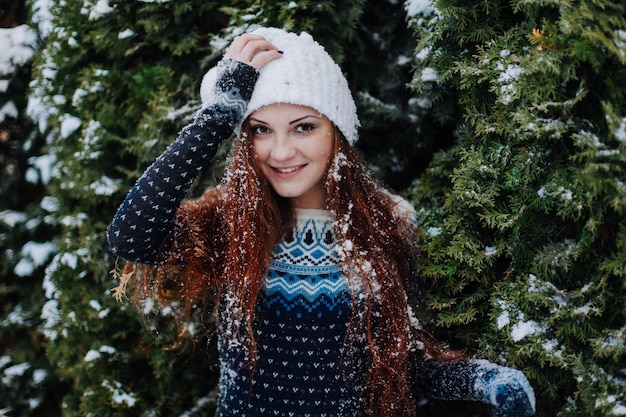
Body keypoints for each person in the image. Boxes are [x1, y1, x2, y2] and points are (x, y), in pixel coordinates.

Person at [107, 27, 536, 417]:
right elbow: (130, 234)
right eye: (259, 130)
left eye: (303, 127)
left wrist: (484, 381)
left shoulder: (389, 223)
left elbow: (404, 365)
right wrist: (219, 114)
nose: (280, 151)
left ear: (337, 131)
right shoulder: (229, 223)